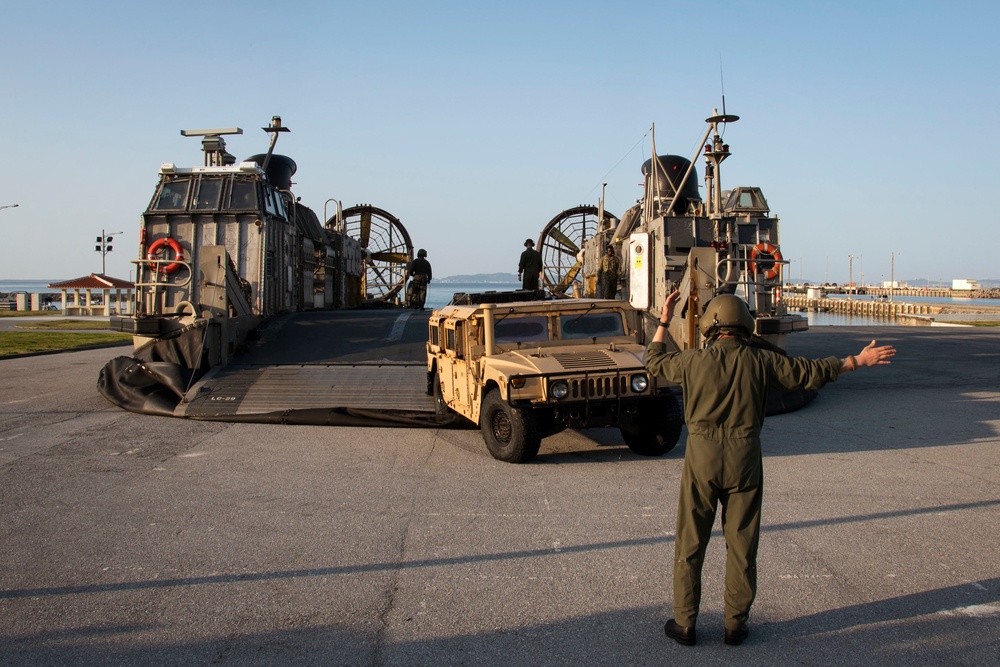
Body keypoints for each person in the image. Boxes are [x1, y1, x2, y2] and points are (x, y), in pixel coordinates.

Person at [645, 291, 895, 647]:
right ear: (744, 324)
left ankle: (685, 623)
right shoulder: (761, 361)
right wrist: (856, 360)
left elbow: (654, 361)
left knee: (691, 542)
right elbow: (809, 373)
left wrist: (665, 319)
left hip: (701, 458)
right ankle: (735, 624)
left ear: (711, 326)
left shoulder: (691, 361)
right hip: (745, 456)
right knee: (742, 543)